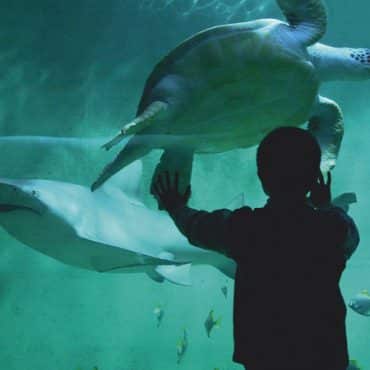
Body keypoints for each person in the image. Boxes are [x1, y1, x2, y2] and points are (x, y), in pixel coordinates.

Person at [152, 127, 359, 370]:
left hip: (265, 357)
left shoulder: (248, 228)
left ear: (262, 177)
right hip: (323, 356)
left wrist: (175, 206)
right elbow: (350, 236)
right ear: (315, 177)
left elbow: (197, 228)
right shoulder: (332, 228)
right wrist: (324, 205)